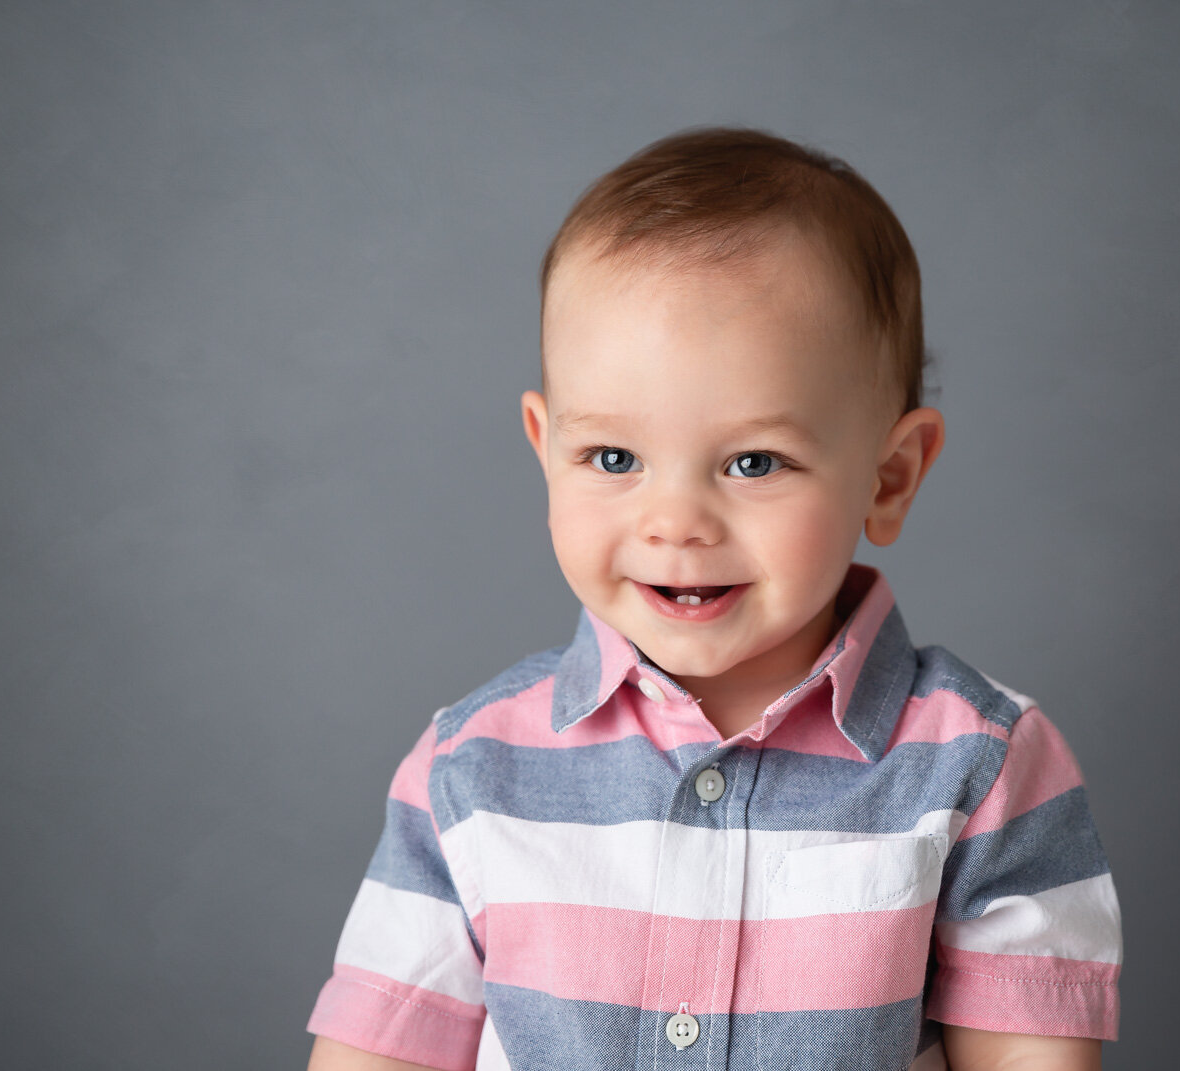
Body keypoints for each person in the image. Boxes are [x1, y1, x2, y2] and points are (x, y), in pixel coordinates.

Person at [305, 128, 1121, 1071]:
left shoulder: (979, 768)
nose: (676, 521)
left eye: (753, 462)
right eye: (614, 458)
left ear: (889, 477)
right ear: (545, 447)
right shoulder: (470, 772)